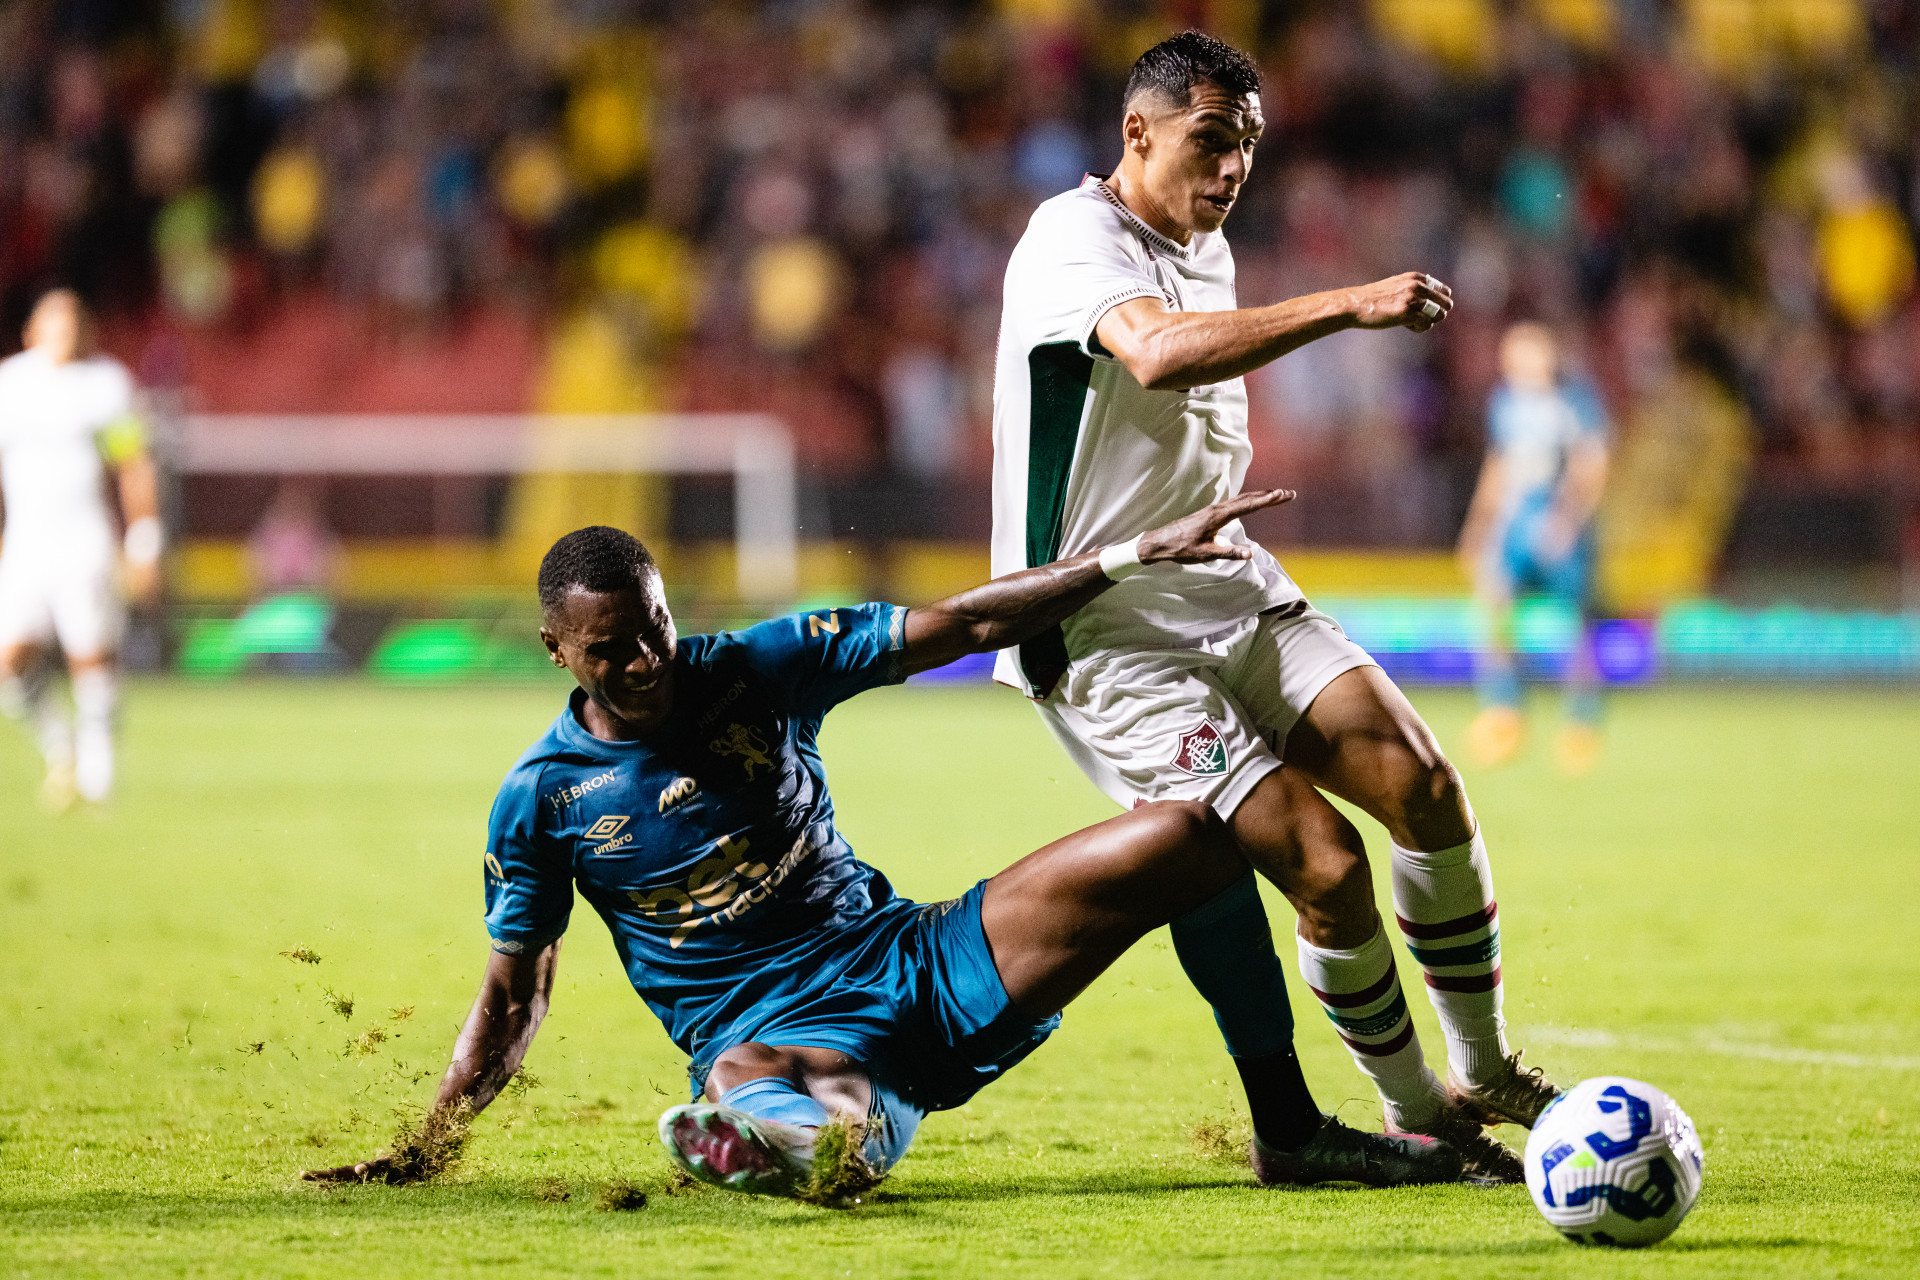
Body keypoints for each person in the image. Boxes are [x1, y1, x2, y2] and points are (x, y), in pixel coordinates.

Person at [305, 495, 1469, 1196]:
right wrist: (432, 1142)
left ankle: (1289, 1128)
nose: (645, 660)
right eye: (612, 649)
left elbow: (958, 622)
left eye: (654, 628)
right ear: (560, 650)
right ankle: (815, 1140)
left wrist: (1128, 557)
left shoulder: (756, 666)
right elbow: (515, 994)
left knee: (1195, 835)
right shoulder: (543, 802)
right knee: (756, 1089)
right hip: (764, 1030)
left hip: (911, 952)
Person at [987, 32, 1557, 1183]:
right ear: (1137, 132)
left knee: (1424, 783)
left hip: (1232, 582)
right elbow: (1154, 357)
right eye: (1212, 139)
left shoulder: (1210, 239)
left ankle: (1485, 1063)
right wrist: (1350, 304)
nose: (1234, 165)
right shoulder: (1072, 236)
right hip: (1107, 631)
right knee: (1328, 862)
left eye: (1247, 143)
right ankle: (1416, 1109)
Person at [0, 288, 163, 809]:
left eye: (74, 323)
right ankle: (58, 744)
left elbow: (133, 462)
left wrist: (144, 540)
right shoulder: (10, 386)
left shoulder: (106, 386)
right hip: (26, 540)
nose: (66, 333)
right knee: (10, 661)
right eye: (55, 323)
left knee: (90, 657)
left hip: (84, 538)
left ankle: (98, 773)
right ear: (32, 331)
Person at [1457, 322, 1611, 774]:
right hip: (1515, 525)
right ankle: (1505, 713)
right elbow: (1498, 466)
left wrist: (1566, 520)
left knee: (1575, 623)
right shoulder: (1504, 403)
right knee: (1495, 607)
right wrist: (1479, 526)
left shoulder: (1575, 399)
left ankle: (1581, 723)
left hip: (1559, 523)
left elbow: (1591, 463)